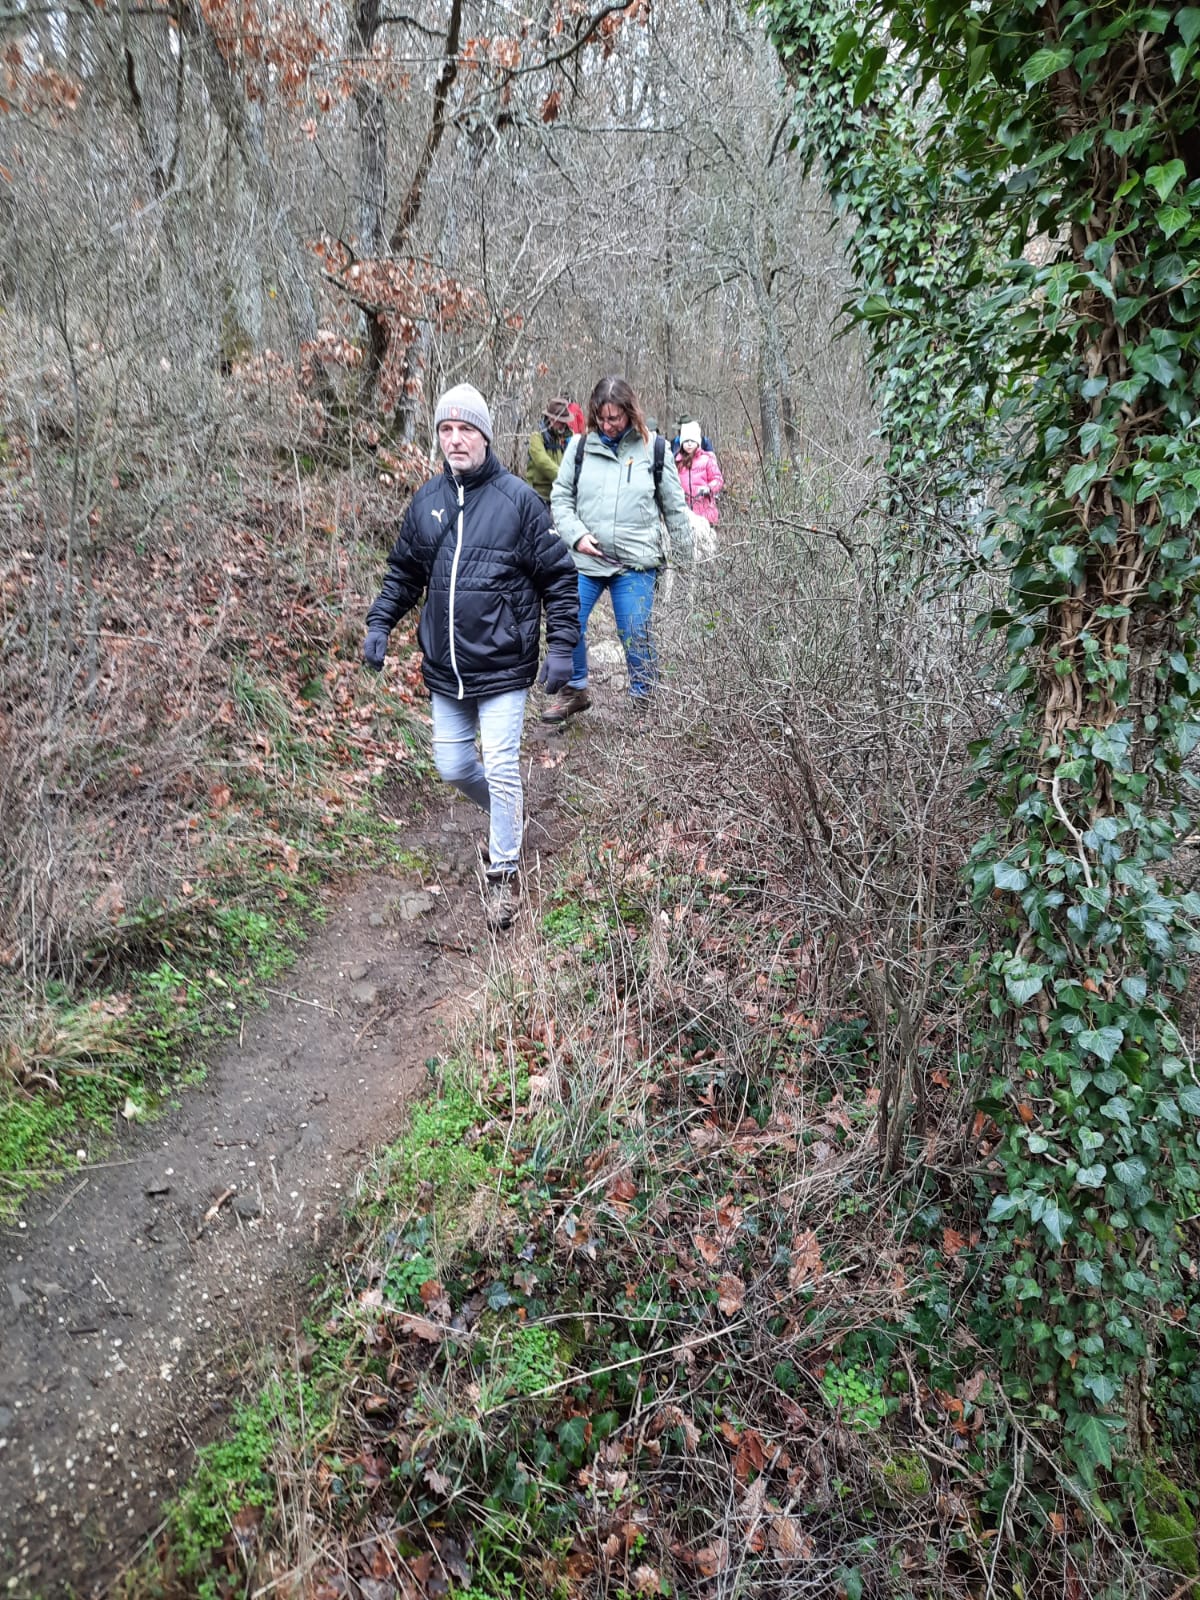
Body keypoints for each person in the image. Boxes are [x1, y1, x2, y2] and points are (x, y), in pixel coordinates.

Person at [363, 383, 579, 930]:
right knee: (453, 765)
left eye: (466, 429)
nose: (455, 440)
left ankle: (504, 873)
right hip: (446, 667)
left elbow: (558, 576)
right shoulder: (427, 502)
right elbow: (404, 574)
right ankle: (509, 817)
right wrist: (380, 621)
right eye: (446, 430)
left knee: (503, 766)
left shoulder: (519, 502)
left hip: (504, 662)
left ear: (484, 434)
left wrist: (564, 647)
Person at [546, 375, 692, 720]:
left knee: (634, 631)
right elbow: (561, 499)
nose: (608, 425)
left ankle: (644, 701)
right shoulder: (579, 448)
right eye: (602, 417)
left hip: (635, 563)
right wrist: (577, 535)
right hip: (585, 560)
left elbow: (674, 509)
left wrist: (686, 561)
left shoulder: (653, 449)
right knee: (568, 622)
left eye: (616, 418)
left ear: (630, 412)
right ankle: (575, 690)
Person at [675, 421, 724, 528]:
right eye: (686, 441)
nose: (689, 444)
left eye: (692, 441)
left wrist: (709, 488)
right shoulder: (677, 462)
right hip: (684, 514)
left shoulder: (707, 459)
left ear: (698, 442)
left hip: (705, 514)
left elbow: (718, 479)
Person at [526, 397, 572, 503]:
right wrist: (565, 478)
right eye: (559, 421)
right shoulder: (537, 437)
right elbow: (542, 462)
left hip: (560, 494)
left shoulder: (569, 436)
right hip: (538, 495)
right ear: (550, 419)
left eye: (564, 422)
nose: (562, 425)